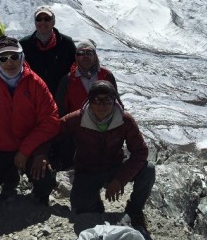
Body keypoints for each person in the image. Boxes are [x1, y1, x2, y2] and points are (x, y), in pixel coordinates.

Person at [0, 36, 59, 204]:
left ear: (22, 57)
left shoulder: (35, 83)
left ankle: (27, 186)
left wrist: (28, 150)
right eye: (3, 58)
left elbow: (51, 120)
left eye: (14, 57)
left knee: (45, 181)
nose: (10, 62)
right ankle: (9, 175)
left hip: (29, 148)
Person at [60, 80, 155, 231]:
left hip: (115, 167)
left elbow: (140, 152)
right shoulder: (76, 119)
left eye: (107, 99)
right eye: (96, 100)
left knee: (148, 170)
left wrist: (120, 179)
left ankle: (134, 210)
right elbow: (53, 132)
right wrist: (42, 156)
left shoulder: (125, 120)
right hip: (87, 171)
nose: (102, 105)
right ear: (89, 101)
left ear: (115, 100)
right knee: (84, 212)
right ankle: (95, 203)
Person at [19, 6, 76, 99]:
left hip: (61, 97)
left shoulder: (66, 43)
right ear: (35, 22)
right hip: (33, 97)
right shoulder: (24, 44)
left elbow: (75, 68)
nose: (43, 22)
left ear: (53, 22)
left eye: (47, 19)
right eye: (39, 19)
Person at [55, 39, 118, 117]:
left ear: (95, 57)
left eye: (89, 52)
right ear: (76, 57)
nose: (85, 56)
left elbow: (116, 102)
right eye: (80, 53)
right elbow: (60, 109)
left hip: (105, 125)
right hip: (78, 127)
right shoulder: (68, 80)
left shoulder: (106, 75)